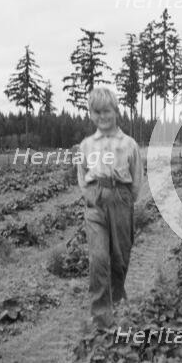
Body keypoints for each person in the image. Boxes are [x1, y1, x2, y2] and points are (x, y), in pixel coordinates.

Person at [77, 87, 143, 328]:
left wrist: (124, 200)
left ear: (115, 111)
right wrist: (91, 196)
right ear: (91, 115)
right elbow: (81, 175)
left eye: (106, 111)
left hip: (121, 198)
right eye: (96, 112)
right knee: (98, 258)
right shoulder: (86, 145)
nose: (102, 117)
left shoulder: (128, 143)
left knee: (119, 257)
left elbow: (137, 178)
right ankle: (101, 317)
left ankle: (118, 306)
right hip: (95, 201)